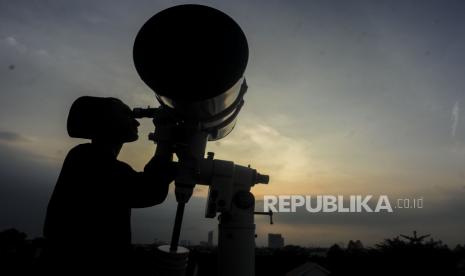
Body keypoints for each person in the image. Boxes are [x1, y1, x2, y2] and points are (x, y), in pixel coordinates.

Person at [43, 96, 176, 274]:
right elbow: (150, 190)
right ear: (107, 122)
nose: (137, 123)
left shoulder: (82, 156)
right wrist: (165, 138)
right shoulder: (89, 161)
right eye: (127, 116)